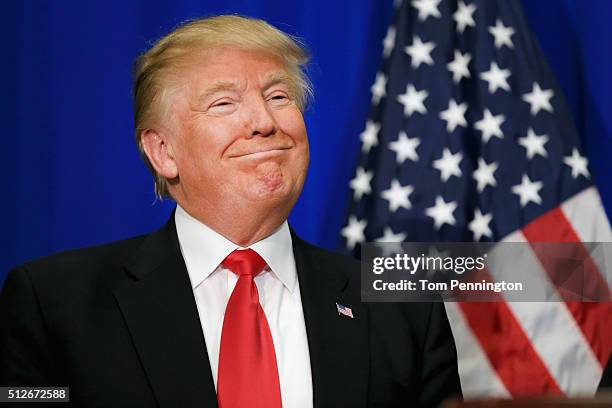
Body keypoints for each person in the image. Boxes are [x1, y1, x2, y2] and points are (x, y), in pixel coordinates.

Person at [0, 15, 461, 407]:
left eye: (279, 97)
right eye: (224, 104)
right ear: (163, 152)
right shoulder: (55, 305)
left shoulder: (402, 310)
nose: (265, 123)